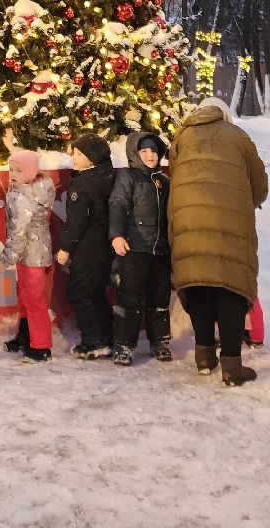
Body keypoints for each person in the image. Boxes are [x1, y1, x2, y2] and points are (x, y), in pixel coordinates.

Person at [167, 97, 268, 387]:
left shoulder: (181, 136)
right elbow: (258, 183)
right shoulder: (237, 135)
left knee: (199, 282)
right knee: (230, 285)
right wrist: (247, 201)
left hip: (189, 220)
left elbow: (176, 175)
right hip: (230, 221)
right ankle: (232, 366)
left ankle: (204, 357)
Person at [108, 131, 173, 365]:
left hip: (162, 250)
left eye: (153, 151)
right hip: (135, 248)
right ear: (135, 154)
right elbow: (118, 203)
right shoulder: (128, 176)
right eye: (144, 151)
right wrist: (116, 235)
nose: (150, 155)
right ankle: (124, 345)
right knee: (130, 298)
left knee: (159, 297)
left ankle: (161, 342)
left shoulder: (164, 180)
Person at [57, 133, 117, 359]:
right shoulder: (107, 177)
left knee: (81, 293)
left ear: (92, 159)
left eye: (80, 154)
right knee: (97, 293)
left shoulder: (82, 184)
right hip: (104, 248)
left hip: (87, 249)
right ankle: (108, 337)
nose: (73, 157)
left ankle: (94, 341)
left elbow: (76, 222)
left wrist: (65, 248)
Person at [0, 148, 56, 363]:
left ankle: (41, 347)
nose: (12, 174)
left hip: (31, 256)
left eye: (18, 170)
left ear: (30, 173)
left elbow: (18, 233)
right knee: (26, 298)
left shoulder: (24, 198)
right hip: (28, 256)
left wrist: (5, 260)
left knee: (35, 301)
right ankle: (25, 336)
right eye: (11, 169)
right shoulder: (28, 189)